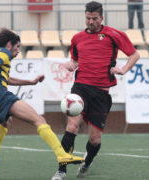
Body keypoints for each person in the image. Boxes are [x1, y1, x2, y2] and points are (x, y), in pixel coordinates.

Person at [0, 28, 84, 177]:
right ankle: (62, 155)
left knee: (5, 122)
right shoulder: (3, 52)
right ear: (9, 45)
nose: (18, 51)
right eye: (17, 46)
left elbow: (6, 79)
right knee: (38, 120)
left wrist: (30, 82)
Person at [52, 1, 140, 180]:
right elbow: (75, 60)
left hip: (101, 92)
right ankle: (61, 170)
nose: (90, 22)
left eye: (94, 19)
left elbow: (134, 54)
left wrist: (123, 69)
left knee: (94, 140)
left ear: (101, 18)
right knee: (72, 126)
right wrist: (71, 64)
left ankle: (87, 162)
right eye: (88, 18)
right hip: (80, 89)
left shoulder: (114, 35)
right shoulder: (77, 38)